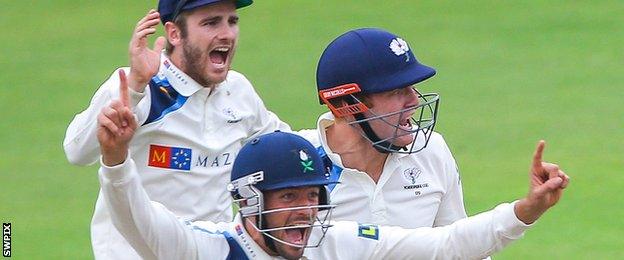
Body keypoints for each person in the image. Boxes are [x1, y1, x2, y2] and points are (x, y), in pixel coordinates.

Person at [96, 79, 569, 259]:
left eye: (312, 196)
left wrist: (525, 210)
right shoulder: (207, 248)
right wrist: (117, 162)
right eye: (288, 198)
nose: (305, 211)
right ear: (249, 202)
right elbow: (138, 220)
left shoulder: (338, 243)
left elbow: (445, 244)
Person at [62, 0, 289, 258]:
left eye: (232, 21)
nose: (226, 33)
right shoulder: (139, 85)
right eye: (211, 22)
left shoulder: (238, 90)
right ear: (174, 33)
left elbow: (286, 146)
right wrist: (136, 85)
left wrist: (337, 123)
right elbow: (77, 151)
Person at [296, 28, 467, 228]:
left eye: (412, 87)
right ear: (345, 105)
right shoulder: (297, 162)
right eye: (396, 91)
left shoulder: (432, 150)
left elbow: (461, 247)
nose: (414, 100)